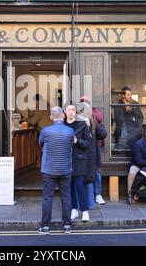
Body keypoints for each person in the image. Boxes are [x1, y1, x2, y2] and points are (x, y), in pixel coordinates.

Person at [38, 106, 75, 235]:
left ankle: (45, 226)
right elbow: (70, 145)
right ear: (63, 116)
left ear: (51, 117)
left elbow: (41, 144)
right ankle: (67, 225)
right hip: (65, 169)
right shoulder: (70, 131)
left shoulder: (45, 131)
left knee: (47, 197)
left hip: (49, 169)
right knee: (66, 197)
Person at [64, 104, 93, 222]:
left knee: (80, 186)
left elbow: (88, 143)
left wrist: (77, 141)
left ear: (76, 112)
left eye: (73, 110)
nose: (71, 112)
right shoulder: (62, 125)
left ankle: (85, 211)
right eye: (69, 110)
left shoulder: (82, 125)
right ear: (65, 112)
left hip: (79, 160)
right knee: (69, 186)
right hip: (65, 160)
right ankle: (74, 209)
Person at [80, 96, 108, 205]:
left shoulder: (93, 116)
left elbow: (102, 129)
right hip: (85, 151)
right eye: (82, 103)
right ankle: (89, 198)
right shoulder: (80, 120)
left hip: (94, 150)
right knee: (87, 174)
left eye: (85, 103)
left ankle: (97, 195)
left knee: (95, 173)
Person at [114, 87, 144, 152]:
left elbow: (140, 117)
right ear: (123, 96)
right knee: (122, 151)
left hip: (133, 131)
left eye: (131, 94)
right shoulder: (118, 104)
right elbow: (117, 118)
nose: (130, 96)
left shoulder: (134, 103)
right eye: (128, 94)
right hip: (122, 131)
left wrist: (138, 127)